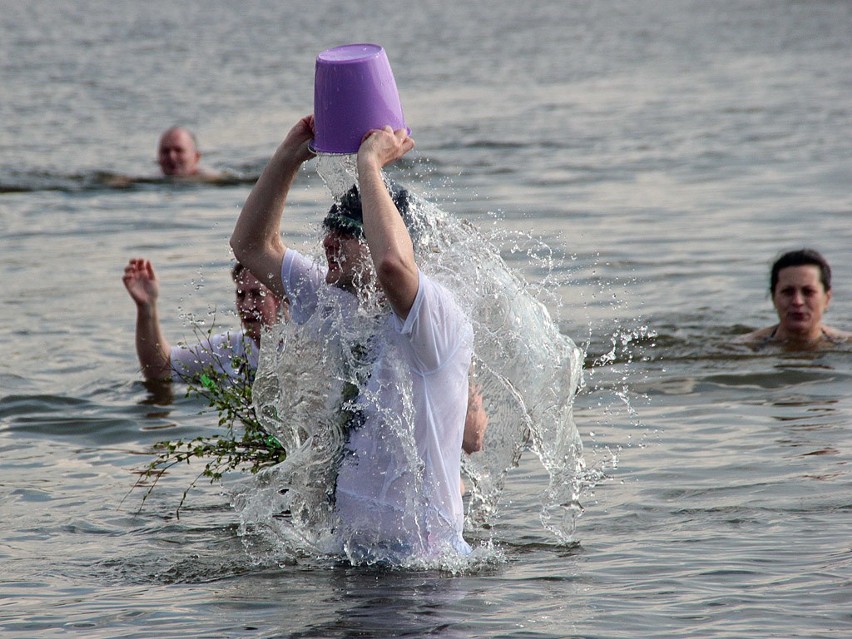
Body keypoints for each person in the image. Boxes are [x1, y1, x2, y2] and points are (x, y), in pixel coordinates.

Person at [230, 115, 474, 561]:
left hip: (425, 567)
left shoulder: (434, 317)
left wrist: (371, 166)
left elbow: (393, 268)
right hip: (351, 557)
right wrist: (289, 154)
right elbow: (251, 245)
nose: (328, 241)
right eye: (329, 229)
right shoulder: (338, 305)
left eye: (347, 232)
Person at [122, 257, 284, 382]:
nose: (247, 305)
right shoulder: (228, 350)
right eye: (240, 295)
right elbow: (161, 369)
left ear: (278, 298)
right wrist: (146, 307)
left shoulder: (298, 348)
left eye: (257, 295)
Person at [735, 248, 850, 348]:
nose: (797, 302)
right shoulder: (744, 346)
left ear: (827, 298)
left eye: (808, 292)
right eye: (788, 292)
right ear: (773, 298)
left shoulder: (847, 343)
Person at [157, 127, 222, 179]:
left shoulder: (214, 180)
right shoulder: (153, 179)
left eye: (179, 150)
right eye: (165, 151)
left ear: (196, 157)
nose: (171, 156)